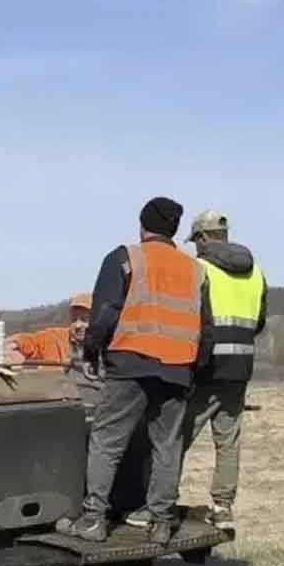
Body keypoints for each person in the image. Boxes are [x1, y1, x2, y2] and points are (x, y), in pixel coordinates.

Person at [64, 197, 212, 545]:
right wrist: (196, 369)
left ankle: (94, 518)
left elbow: (104, 314)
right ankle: (161, 522)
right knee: (167, 446)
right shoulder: (196, 270)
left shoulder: (125, 258)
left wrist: (91, 351)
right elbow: (207, 328)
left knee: (107, 440)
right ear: (175, 230)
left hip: (129, 363)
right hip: (178, 368)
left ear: (142, 225)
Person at [181, 209, 266, 530]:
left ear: (203, 238)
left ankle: (160, 501)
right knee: (228, 441)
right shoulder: (256, 271)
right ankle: (223, 507)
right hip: (241, 366)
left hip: (206, 367)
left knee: (178, 436)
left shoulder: (197, 269)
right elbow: (258, 321)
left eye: (196, 241)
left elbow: (190, 317)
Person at [5, 293, 93, 369]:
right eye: (74, 320)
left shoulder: (106, 345)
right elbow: (31, 341)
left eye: (85, 320)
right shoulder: (55, 338)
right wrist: (14, 345)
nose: (77, 325)